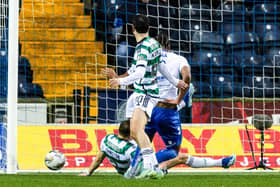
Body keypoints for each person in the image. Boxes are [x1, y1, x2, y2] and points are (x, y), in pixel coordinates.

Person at [107, 14, 188, 179]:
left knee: (137, 131)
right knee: (137, 131)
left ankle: (151, 167)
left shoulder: (142, 48)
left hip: (144, 92)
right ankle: (149, 168)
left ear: (132, 29)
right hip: (152, 94)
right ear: (149, 29)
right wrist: (175, 82)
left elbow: (140, 72)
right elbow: (161, 65)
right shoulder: (154, 43)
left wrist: (120, 82)